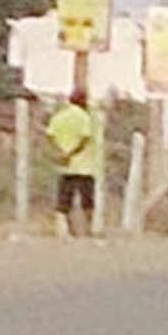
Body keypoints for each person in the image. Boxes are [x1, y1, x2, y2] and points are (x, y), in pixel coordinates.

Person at [46, 87, 102, 233]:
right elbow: (85, 138)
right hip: (85, 166)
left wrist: (61, 152)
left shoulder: (59, 117)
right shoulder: (84, 117)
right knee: (87, 200)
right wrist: (71, 153)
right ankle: (87, 229)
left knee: (65, 199)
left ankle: (69, 230)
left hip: (65, 166)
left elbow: (50, 135)